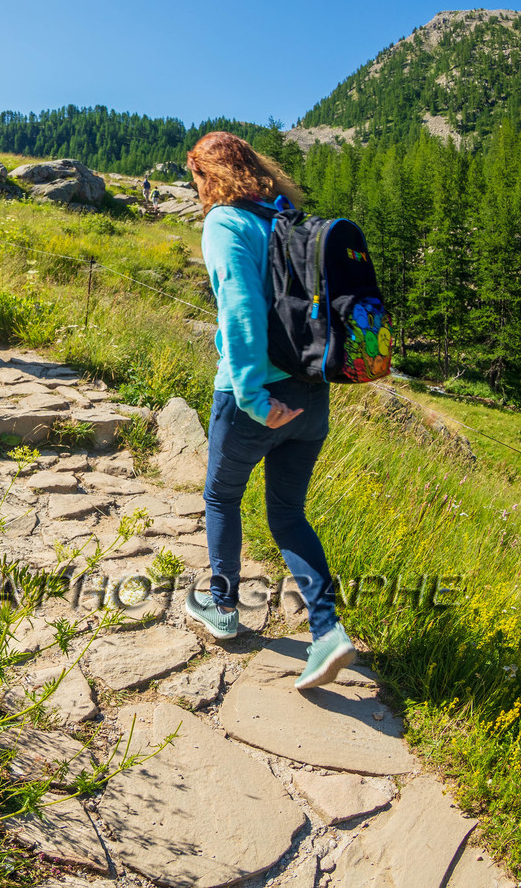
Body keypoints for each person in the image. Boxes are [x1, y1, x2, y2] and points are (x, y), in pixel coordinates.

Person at [181, 130, 356, 691]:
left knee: (221, 496)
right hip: (312, 391)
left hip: (254, 395)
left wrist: (254, 398)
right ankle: (328, 631)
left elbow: (240, 307)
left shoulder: (226, 223)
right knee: (286, 512)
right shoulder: (283, 220)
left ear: (207, 177)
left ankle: (224, 608)